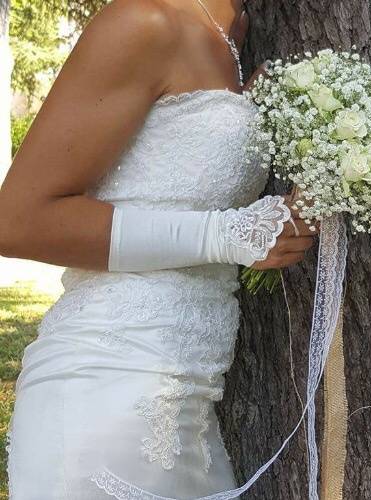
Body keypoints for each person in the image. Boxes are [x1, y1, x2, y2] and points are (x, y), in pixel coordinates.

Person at [0, 0, 316, 497]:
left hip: (192, 401)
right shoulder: (141, 22)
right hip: (107, 391)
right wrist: (227, 235)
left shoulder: (237, 32)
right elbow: (17, 222)